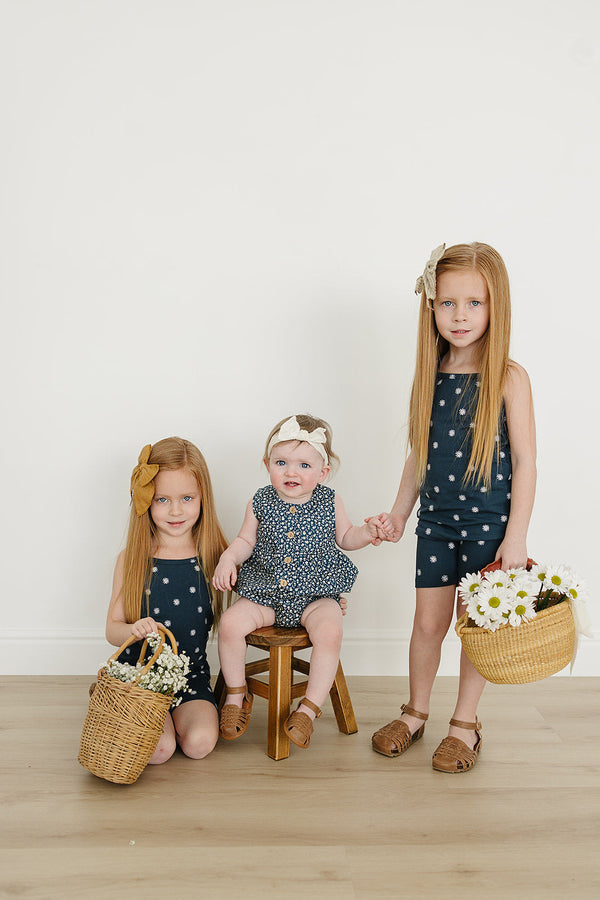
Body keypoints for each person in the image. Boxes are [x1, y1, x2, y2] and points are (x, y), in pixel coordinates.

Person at [371, 242, 536, 773]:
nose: (460, 316)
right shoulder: (432, 372)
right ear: (431, 308)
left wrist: (516, 539)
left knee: (474, 627)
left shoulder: (509, 377)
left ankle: (465, 723)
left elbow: (527, 464)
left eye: (474, 304)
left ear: (496, 307)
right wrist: (399, 512)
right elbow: (419, 454)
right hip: (437, 525)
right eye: (447, 304)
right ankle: (416, 712)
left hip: (489, 527)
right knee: (427, 624)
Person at [213, 414, 383, 749]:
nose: (292, 472)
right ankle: (236, 694)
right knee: (231, 624)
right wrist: (228, 558)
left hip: (315, 596)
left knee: (330, 632)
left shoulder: (329, 500)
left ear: (323, 472)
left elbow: (346, 537)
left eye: (304, 465)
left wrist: (367, 532)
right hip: (267, 594)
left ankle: (308, 708)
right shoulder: (260, 501)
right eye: (282, 462)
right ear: (267, 465)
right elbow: (246, 541)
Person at [106, 438, 229, 764]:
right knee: (158, 751)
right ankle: (153, 724)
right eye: (162, 499)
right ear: (145, 501)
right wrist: (134, 629)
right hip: (140, 679)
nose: (176, 511)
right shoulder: (132, 558)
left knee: (199, 744)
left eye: (187, 498)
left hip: (191, 678)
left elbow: (261, 593)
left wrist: (319, 602)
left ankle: (177, 722)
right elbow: (111, 629)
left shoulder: (217, 556)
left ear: (203, 498)